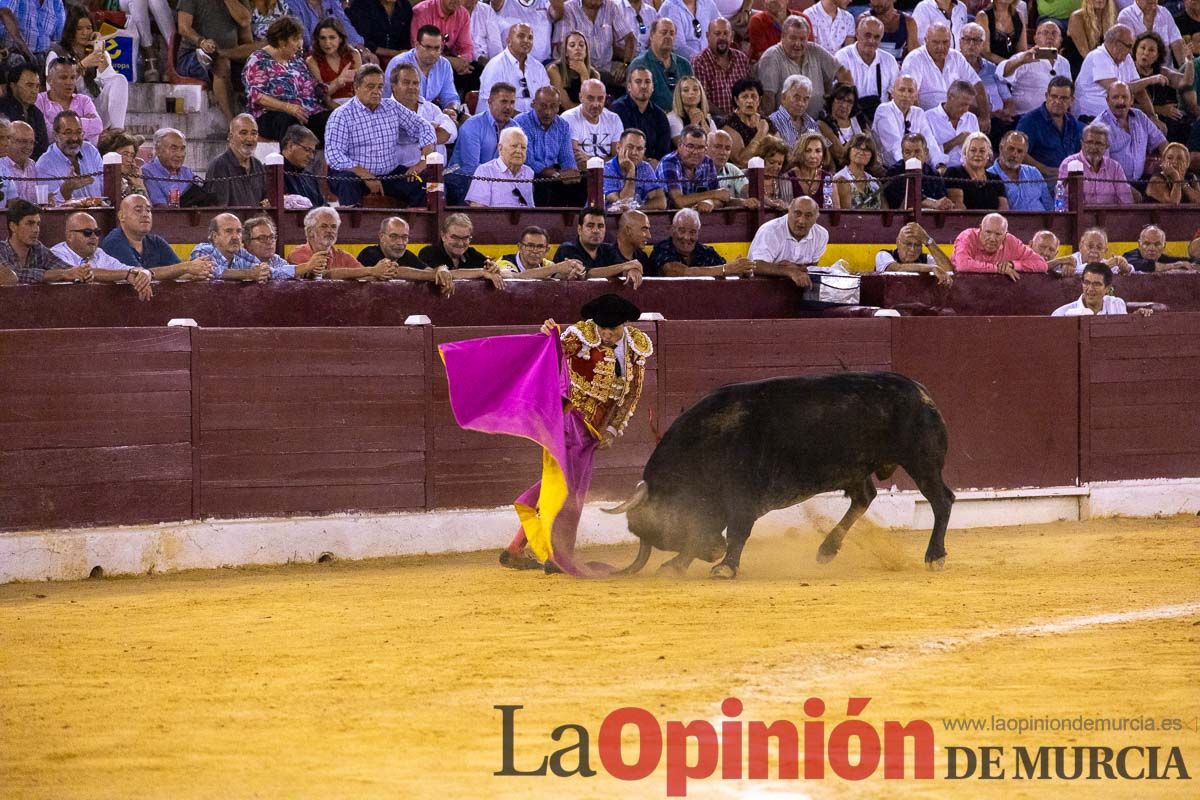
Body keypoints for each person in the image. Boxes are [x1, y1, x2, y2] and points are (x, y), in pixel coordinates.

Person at [491, 293, 653, 574]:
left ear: (625, 325)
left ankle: (518, 548)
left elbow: (631, 394)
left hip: (593, 431)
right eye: (601, 328)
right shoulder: (580, 336)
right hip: (566, 421)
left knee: (563, 485)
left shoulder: (636, 347)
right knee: (566, 488)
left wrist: (613, 429)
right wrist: (545, 337)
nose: (605, 334)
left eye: (612, 329)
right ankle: (555, 554)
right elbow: (546, 355)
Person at [325, 64, 436, 208]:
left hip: (389, 174)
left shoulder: (391, 107)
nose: (376, 91)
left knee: (424, 180)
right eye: (370, 86)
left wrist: (422, 162)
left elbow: (425, 128)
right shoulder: (342, 115)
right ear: (356, 87)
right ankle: (352, 228)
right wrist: (364, 174)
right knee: (347, 182)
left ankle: (416, 227)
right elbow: (334, 154)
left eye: (379, 87)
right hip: (353, 174)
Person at [243, 18, 332, 144]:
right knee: (289, 123)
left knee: (333, 120)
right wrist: (288, 107)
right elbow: (257, 96)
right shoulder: (258, 60)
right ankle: (290, 162)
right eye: (295, 40)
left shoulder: (296, 59)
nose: (299, 44)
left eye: (300, 39)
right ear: (281, 41)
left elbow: (315, 88)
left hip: (306, 113)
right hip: (272, 114)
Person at [48, 5, 128, 133]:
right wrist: (82, 65)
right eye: (79, 29)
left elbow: (110, 80)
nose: (85, 33)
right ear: (71, 30)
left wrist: (99, 51)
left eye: (89, 28)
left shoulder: (98, 52)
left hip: (94, 109)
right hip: (68, 110)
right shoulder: (57, 52)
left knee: (120, 79)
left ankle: (117, 133)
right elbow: (51, 87)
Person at [101, 195, 216, 279]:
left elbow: (178, 271)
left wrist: (196, 274)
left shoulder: (155, 241)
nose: (145, 214)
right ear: (121, 216)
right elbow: (140, 275)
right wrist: (187, 267)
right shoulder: (114, 242)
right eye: (138, 210)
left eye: (148, 210)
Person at [47, 211, 152, 300]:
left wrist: (144, 273)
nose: (94, 237)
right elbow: (83, 273)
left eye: (97, 232)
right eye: (87, 232)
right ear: (70, 236)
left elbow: (129, 270)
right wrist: (126, 274)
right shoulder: (56, 254)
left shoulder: (99, 253)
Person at [757, 16, 850, 115]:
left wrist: (840, 101)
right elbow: (767, 98)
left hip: (819, 122)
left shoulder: (815, 50)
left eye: (802, 39)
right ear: (783, 37)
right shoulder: (771, 57)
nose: (798, 44)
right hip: (786, 125)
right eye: (793, 38)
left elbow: (842, 73)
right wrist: (772, 126)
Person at [901, 22, 987, 126]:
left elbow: (977, 84)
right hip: (927, 119)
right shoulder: (914, 59)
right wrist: (921, 124)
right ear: (925, 41)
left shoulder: (956, 57)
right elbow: (911, 96)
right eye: (936, 42)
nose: (941, 47)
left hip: (957, 116)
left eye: (945, 42)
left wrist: (985, 116)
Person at [447, 82, 518, 204]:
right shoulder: (473, 126)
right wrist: (500, 182)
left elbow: (516, 163)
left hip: (497, 180)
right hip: (462, 180)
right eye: (504, 102)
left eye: (512, 103)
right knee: (473, 182)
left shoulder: (515, 128)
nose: (508, 107)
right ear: (490, 102)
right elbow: (471, 168)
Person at [176, 0, 246, 120]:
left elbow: (245, 22)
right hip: (193, 55)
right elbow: (183, 28)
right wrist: (201, 42)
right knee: (221, 63)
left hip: (230, 54)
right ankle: (232, 122)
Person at [1074, 25, 1162, 121]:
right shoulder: (1097, 56)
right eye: (1129, 46)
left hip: (1116, 116)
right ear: (1116, 44)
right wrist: (1150, 80)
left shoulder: (1127, 58)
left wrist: (1153, 117)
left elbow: (1140, 91)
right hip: (1091, 118)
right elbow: (1117, 90)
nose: (1131, 51)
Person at [516, 86, 585, 207]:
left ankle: (574, 221)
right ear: (533, 104)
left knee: (582, 182)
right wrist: (556, 175)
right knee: (544, 186)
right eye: (543, 106)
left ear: (559, 106)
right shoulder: (522, 122)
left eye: (553, 106)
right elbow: (528, 160)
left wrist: (571, 172)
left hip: (554, 174)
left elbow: (567, 156)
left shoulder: (562, 125)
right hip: (530, 174)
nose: (548, 112)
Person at [353, 216, 457, 292]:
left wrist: (441, 269)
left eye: (404, 237)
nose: (400, 242)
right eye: (394, 236)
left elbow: (428, 271)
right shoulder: (369, 254)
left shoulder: (407, 255)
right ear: (381, 237)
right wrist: (435, 275)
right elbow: (394, 272)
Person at [745, 196, 829, 287]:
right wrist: (790, 271)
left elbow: (811, 267)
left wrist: (795, 268)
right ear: (789, 211)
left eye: (808, 216)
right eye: (797, 213)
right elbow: (756, 265)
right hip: (761, 288)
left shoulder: (821, 234)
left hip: (797, 290)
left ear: (816, 218)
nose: (801, 221)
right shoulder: (770, 231)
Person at [647, 207, 756, 276]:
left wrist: (742, 270)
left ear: (698, 234)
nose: (686, 237)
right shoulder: (662, 249)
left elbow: (728, 270)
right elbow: (675, 272)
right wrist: (724, 269)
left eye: (692, 232)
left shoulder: (706, 252)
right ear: (672, 230)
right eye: (681, 231)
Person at [1132, 31, 1197, 146]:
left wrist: (1190, 61)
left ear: (1158, 56)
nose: (1145, 53)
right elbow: (1127, 105)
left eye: (1151, 50)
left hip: (1164, 117)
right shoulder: (1128, 71)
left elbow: (1185, 82)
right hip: (1138, 118)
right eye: (1142, 48)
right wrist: (1160, 110)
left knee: (1189, 124)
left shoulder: (1161, 71)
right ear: (1135, 50)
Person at [552, 206, 647, 284]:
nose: (596, 231)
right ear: (579, 229)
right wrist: (624, 266)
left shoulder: (608, 250)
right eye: (590, 226)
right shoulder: (567, 249)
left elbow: (622, 270)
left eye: (600, 226)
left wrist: (632, 270)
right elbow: (585, 274)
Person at [554, 1, 633, 92]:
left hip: (607, 67)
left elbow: (629, 37)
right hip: (576, 68)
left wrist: (625, 64)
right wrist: (585, 69)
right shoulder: (569, 8)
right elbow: (562, 46)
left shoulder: (611, 6)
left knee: (632, 79)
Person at [1001, 22, 1074, 118]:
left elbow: (1068, 90)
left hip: (1056, 116)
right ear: (1035, 39)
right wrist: (1020, 61)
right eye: (1045, 32)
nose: (1050, 36)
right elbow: (1002, 75)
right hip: (1025, 116)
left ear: (1060, 40)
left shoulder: (1064, 62)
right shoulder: (1024, 57)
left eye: (1054, 33)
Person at [1016, 75, 1085, 177]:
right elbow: (1019, 152)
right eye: (1054, 96)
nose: (1058, 102)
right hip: (1041, 179)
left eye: (1064, 98)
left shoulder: (1073, 123)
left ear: (1071, 100)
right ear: (1046, 96)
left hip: (1070, 178)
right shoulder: (1029, 121)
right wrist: (1045, 170)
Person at [1098, 80, 1166, 182]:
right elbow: (1103, 171)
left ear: (1132, 100)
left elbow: (1161, 142)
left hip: (1141, 180)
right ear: (1107, 101)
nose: (1121, 102)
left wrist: (1170, 162)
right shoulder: (1100, 127)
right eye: (1115, 97)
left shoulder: (1140, 117)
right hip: (1114, 185)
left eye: (1124, 97)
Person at [384, 25, 460, 117]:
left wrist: (452, 110)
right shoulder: (399, 63)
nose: (432, 53)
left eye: (437, 48)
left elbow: (451, 97)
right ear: (417, 45)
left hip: (431, 115)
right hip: (400, 116)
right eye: (428, 47)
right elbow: (387, 100)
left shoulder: (444, 65)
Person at [0, 199, 80, 284]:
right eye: (30, 223)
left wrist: (81, 273)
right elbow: (14, 275)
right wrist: (62, 274)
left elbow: (66, 269)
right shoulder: (1, 250)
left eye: (37, 224)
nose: (36, 230)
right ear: (13, 227)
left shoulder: (38, 248)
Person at [835, 15, 899, 120]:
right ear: (857, 35)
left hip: (882, 118)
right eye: (867, 35)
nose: (872, 41)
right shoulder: (842, 57)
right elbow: (839, 98)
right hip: (850, 117)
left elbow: (894, 97)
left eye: (877, 37)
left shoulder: (889, 61)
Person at [393, 62, 457, 166]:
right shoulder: (386, 109)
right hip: (403, 175)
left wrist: (417, 135)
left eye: (415, 83)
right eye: (406, 82)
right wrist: (430, 129)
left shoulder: (431, 108)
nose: (411, 87)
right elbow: (399, 137)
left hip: (435, 174)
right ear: (394, 86)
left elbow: (449, 134)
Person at [418, 213, 506, 288]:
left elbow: (490, 270)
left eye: (465, 238)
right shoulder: (428, 252)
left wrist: (494, 269)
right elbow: (444, 274)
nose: (460, 243)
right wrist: (481, 272)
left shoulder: (472, 254)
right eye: (455, 237)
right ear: (443, 236)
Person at [479, 23, 549, 115]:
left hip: (533, 122)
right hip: (500, 122)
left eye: (530, 38)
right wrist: (525, 120)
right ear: (509, 41)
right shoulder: (495, 66)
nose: (526, 41)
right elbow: (493, 105)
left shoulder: (538, 67)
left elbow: (547, 98)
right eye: (521, 36)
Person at [1057, 121, 1136, 205]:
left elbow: (1126, 201)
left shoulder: (1115, 168)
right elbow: (1062, 200)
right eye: (1089, 142)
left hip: (1109, 216)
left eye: (1099, 143)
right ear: (1082, 143)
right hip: (1079, 217)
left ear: (1106, 146)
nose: (1093, 147)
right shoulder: (1069, 164)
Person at [874, 74, 945, 166]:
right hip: (891, 168)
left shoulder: (919, 113)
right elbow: (894, 148)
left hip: (917, 166)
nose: (906, 95)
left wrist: (939, 164)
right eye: (901, 90)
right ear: (892, 93)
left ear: (916, 96)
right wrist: (912, 166)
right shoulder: (884, 110)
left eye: (910, 91)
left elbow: (930, 142)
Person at [952, 212, 1048, 279]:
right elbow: (962, 265)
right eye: (988, 232)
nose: (992, 238)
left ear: (1005, 234)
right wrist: (997, 268)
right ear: (980, 228)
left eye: (998, 234)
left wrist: (1013, 265)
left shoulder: (1011, 241)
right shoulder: (967, 236)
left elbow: (1042, 264)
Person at [36, 110, 104, 205]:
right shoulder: (44, 164)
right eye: (68, 133)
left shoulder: (91, 151)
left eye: (78, 132)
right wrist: (66, 189)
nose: (75, 138)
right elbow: (50, 206)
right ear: (55, 136)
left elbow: (105, 188)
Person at [657, 125, 731, 210]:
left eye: (700, 147)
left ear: (706, 148)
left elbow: (720, 199)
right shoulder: (669, 162)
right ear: (680, 145)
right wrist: (713, 194)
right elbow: (678, 202)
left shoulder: (707, 162)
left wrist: (710, 202)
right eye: (690, 146)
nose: (695, 152)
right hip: (669, 220)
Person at [628, 18, 694, 112]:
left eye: (672, 33)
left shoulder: (684, 64)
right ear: (651, 35)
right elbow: (634, 102)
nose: (668, 36)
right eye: (664, 32)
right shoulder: (639, 64)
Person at [693, 18, 752, 120]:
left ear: (732, 36)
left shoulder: (741, 59)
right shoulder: (699, 62)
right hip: (715, 121)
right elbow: (703, 100)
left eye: (725, 33)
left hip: (744, 118)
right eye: (717, 33)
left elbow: (750, 91)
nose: (722, 37)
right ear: (707, 36)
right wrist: (728, 118)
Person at [190, 213, 275, 283]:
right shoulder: (203, 250)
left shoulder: (241, 254)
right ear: (215, 236)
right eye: (228, 231)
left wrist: (265, 272)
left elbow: (259, 269)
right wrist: (249, 274)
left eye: (238, 231)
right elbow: (211, 271)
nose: (235, 237)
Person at [612, 67, 673, 164]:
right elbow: (621, 144)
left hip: (655, 167)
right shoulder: (618, 110)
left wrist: (657, 163)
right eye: (638, 82)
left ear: (653, 87)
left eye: (647, 82)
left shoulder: (660, 115)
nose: (643, 86)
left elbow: (664, 149)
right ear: (629, 87)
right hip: (624, 163)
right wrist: (646, 163)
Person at [36, 59, 103, 145]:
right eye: (63, 77)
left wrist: (60, 127)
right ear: (49, 80)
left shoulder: (84, 100)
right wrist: (82, 123)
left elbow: (98, 126)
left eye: (73, 77)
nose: (69, 82)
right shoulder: (39, 100)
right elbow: (47, 135)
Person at [465, 126, 534, 207]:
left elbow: (530, 208)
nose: (519, 151)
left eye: (523, 147)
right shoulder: (485, 171)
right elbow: (478, 209)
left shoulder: (528, 172)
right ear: (500, 148)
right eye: (514, 146)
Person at [562, 79, 625, 166]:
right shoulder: (569, 118)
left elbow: (619, 158)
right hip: (581, 176)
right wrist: (606, 161)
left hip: (609, 174)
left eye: (600, 99)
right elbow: (576, 161)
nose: (596, 104)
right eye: (590, 98)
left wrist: (590, 160)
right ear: (581, 98)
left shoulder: (614, 119)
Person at [882, 132, 953, 209]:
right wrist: (933, 203)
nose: (913, 156)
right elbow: (904, 202)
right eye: (908, 152)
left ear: (926, 152)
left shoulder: (933, 174)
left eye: (917, 151)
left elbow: (941, 200)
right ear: (902, 154)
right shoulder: (894, 173)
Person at [1051, 262, 1153, 316]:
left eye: (1096, 284)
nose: (1090, 289)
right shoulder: (1061, 314)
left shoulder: (1117, 304)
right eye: (1086, 283)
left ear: (1107, 288)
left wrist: (1138, 317)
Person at [243, 215, 324, 280]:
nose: (269, 242)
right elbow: (275, 273)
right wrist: (307, 266)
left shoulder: (275, 259)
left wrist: (308, 274)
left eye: (272, 237)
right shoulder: (242, 261)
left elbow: (288, 273)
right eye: (262, 238)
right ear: (247, 243)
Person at [603, 127, 667, 209]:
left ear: (644, 151)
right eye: (630, 147)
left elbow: (661, 202)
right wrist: (631, 170)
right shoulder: (607, 169)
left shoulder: (645, 167)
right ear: (618, 147)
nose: (634, 152)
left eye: (639, 149)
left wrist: (637, 209)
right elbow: (624, 203)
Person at [988, 131, 1052, 211]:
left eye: (1020, 151)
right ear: (1001, 148)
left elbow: (1049, 206)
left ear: (1025, 154)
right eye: (1011, 149)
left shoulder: (1034, 172)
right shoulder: (989, 176)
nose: (1015, 154)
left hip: (1042, 222)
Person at [306, 17, 362, 107]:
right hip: (329, 107)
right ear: (317, 40)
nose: (327, 43)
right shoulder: (312, 61)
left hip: (355, 104)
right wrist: (338, 82)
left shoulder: (354, 55)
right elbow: (321, 96)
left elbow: (361, 88)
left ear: (340, 39)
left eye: (332, 37)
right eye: (322, 38)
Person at [875, 221, 954, 284]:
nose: (912, 249)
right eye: (908, 244)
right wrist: (931, 268)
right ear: (897, 243)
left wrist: (928, 241)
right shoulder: (883, 255)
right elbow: (895, 269)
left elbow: (949, 272)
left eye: (917, 245)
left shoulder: (926, 259)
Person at [944, 132, 1008, 210]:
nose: (977, 154)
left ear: (988, 155)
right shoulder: (954, 173)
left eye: (982, 151)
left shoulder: (995, 179)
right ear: (965, 153)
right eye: (973, 150)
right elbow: (958, 207)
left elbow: (1004, 209)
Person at [1117, 0, 1189, 68]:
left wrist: (1184, 68)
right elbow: (1130, 51)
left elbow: (1177, 42)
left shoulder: (1164, 13)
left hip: (1168, 73)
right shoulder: (1125, 16)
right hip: (1139, 74)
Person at [499, 224, 588, 278]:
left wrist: (573, 270)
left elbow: (558, 276)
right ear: (520, 247)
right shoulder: (505, 261)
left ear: (547, 250)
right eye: (530, 246)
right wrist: (557, 267)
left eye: (540, 247)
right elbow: (515, 276)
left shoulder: (548, 265)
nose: (535, 251)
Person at [926, 79, 980, 167]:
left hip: (968, 172)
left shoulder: (971, 118)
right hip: (941, 173)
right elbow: (927, 155)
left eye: (968, 105)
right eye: (963, 104)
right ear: (950, 97)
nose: (966, 110)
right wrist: (955, 142)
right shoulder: (928, 117)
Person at [722, 77, 775, 166]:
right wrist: (761, 133)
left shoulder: (766, 122)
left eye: (754, 96)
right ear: (736, 100)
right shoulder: (729, 124)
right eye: (745, 96)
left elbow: (780, 152)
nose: (750, 101)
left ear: (759, 100)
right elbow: (742, 161)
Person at [0, 65, 49, 160]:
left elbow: (43, 149)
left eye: (37, 86)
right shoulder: (1, 110)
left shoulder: (37, 113)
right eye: (29, 85)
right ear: (13, 85)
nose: (34, 91)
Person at [141, 128, 197, 207]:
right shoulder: (147, 172)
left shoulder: (187, 172)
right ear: (158, 150)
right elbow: (160, 207)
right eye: (174, 148)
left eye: (182, 149)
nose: (179, 154)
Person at [548, 30, 601, 110]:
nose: (577, 48)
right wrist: (587, 108)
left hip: (587, 117)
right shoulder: (554, 70)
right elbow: (567, 106)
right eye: (572, 45)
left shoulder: (595, 75)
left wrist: (584, 75)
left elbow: (594, 105)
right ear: (566, 52)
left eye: (581, 45)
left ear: (586, 51)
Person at [786, 131, 841, 209]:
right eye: (808, 151)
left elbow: (836, 210)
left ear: (823, 154)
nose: (813, 156)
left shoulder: (828, 178)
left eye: (818, 151)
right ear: (800, 152)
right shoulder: (789, 177)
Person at [1049, 226, 1135, 276]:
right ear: (1080, 246)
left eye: (1099, 247)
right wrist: (1103, 267)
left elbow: (1132, 271)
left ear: (1105, 250)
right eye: (1090, 246)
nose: (1094, 251)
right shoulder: (1069, 261)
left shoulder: (1107, 263)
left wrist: (1126, 267)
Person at [349, 0, 413, 65]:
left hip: (397, 61)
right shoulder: (362, 5)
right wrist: (394, 53)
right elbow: (364, 42)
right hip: (369, 59)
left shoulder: (405, 6)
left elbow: (405, 42)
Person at [770, 75, 821, 153]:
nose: (801, 103)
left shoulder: (811, 122)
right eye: (796, 98)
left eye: (805, 99)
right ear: (783, 97)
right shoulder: (772, 122)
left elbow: (823, 149)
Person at [832, 133, 883, 209]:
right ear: (849, 150)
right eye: (857, 147)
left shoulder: (875, 182)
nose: (861, 152)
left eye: (867, 149)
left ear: (872, 155)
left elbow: (884, 210)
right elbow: (845, 215)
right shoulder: (840, 179)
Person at [280, 124, 324, 209]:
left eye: (313, 152)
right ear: (290, 146)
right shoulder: (273, 174)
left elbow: (321, 206)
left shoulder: (310, 178)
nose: (311, 157)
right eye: (307, 150)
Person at [1068, 0, 1117, 75]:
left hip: (1102, 62)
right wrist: (1103, 69)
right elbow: (1083, 51)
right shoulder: (1077, 17)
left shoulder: (1111, 17)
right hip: (1080, 63)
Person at [97, 129, 147, 200]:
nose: (129, 159)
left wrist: (139, 185)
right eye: (125, 154)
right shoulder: (101, 179)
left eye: (132, 155)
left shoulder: (129, 181)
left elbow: (146, 207)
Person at [1123, 224, 1196, 271]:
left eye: (1157, 244)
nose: (1152, 248)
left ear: (1164, 245)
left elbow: (1184, 260)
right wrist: (1174, 265)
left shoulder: (1161, 258)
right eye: (1147, 244)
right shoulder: (1129, 256)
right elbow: (1144, 265)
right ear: (1139, 244)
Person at [667, 77, 717, 145]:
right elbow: (681, 145)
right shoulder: (673, 117)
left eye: (695, 89)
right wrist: (694, 124)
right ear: (679, 95)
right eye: (686, 90)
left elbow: (715, 144)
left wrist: (703, 123)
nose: (691, 93)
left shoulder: (708, 118)